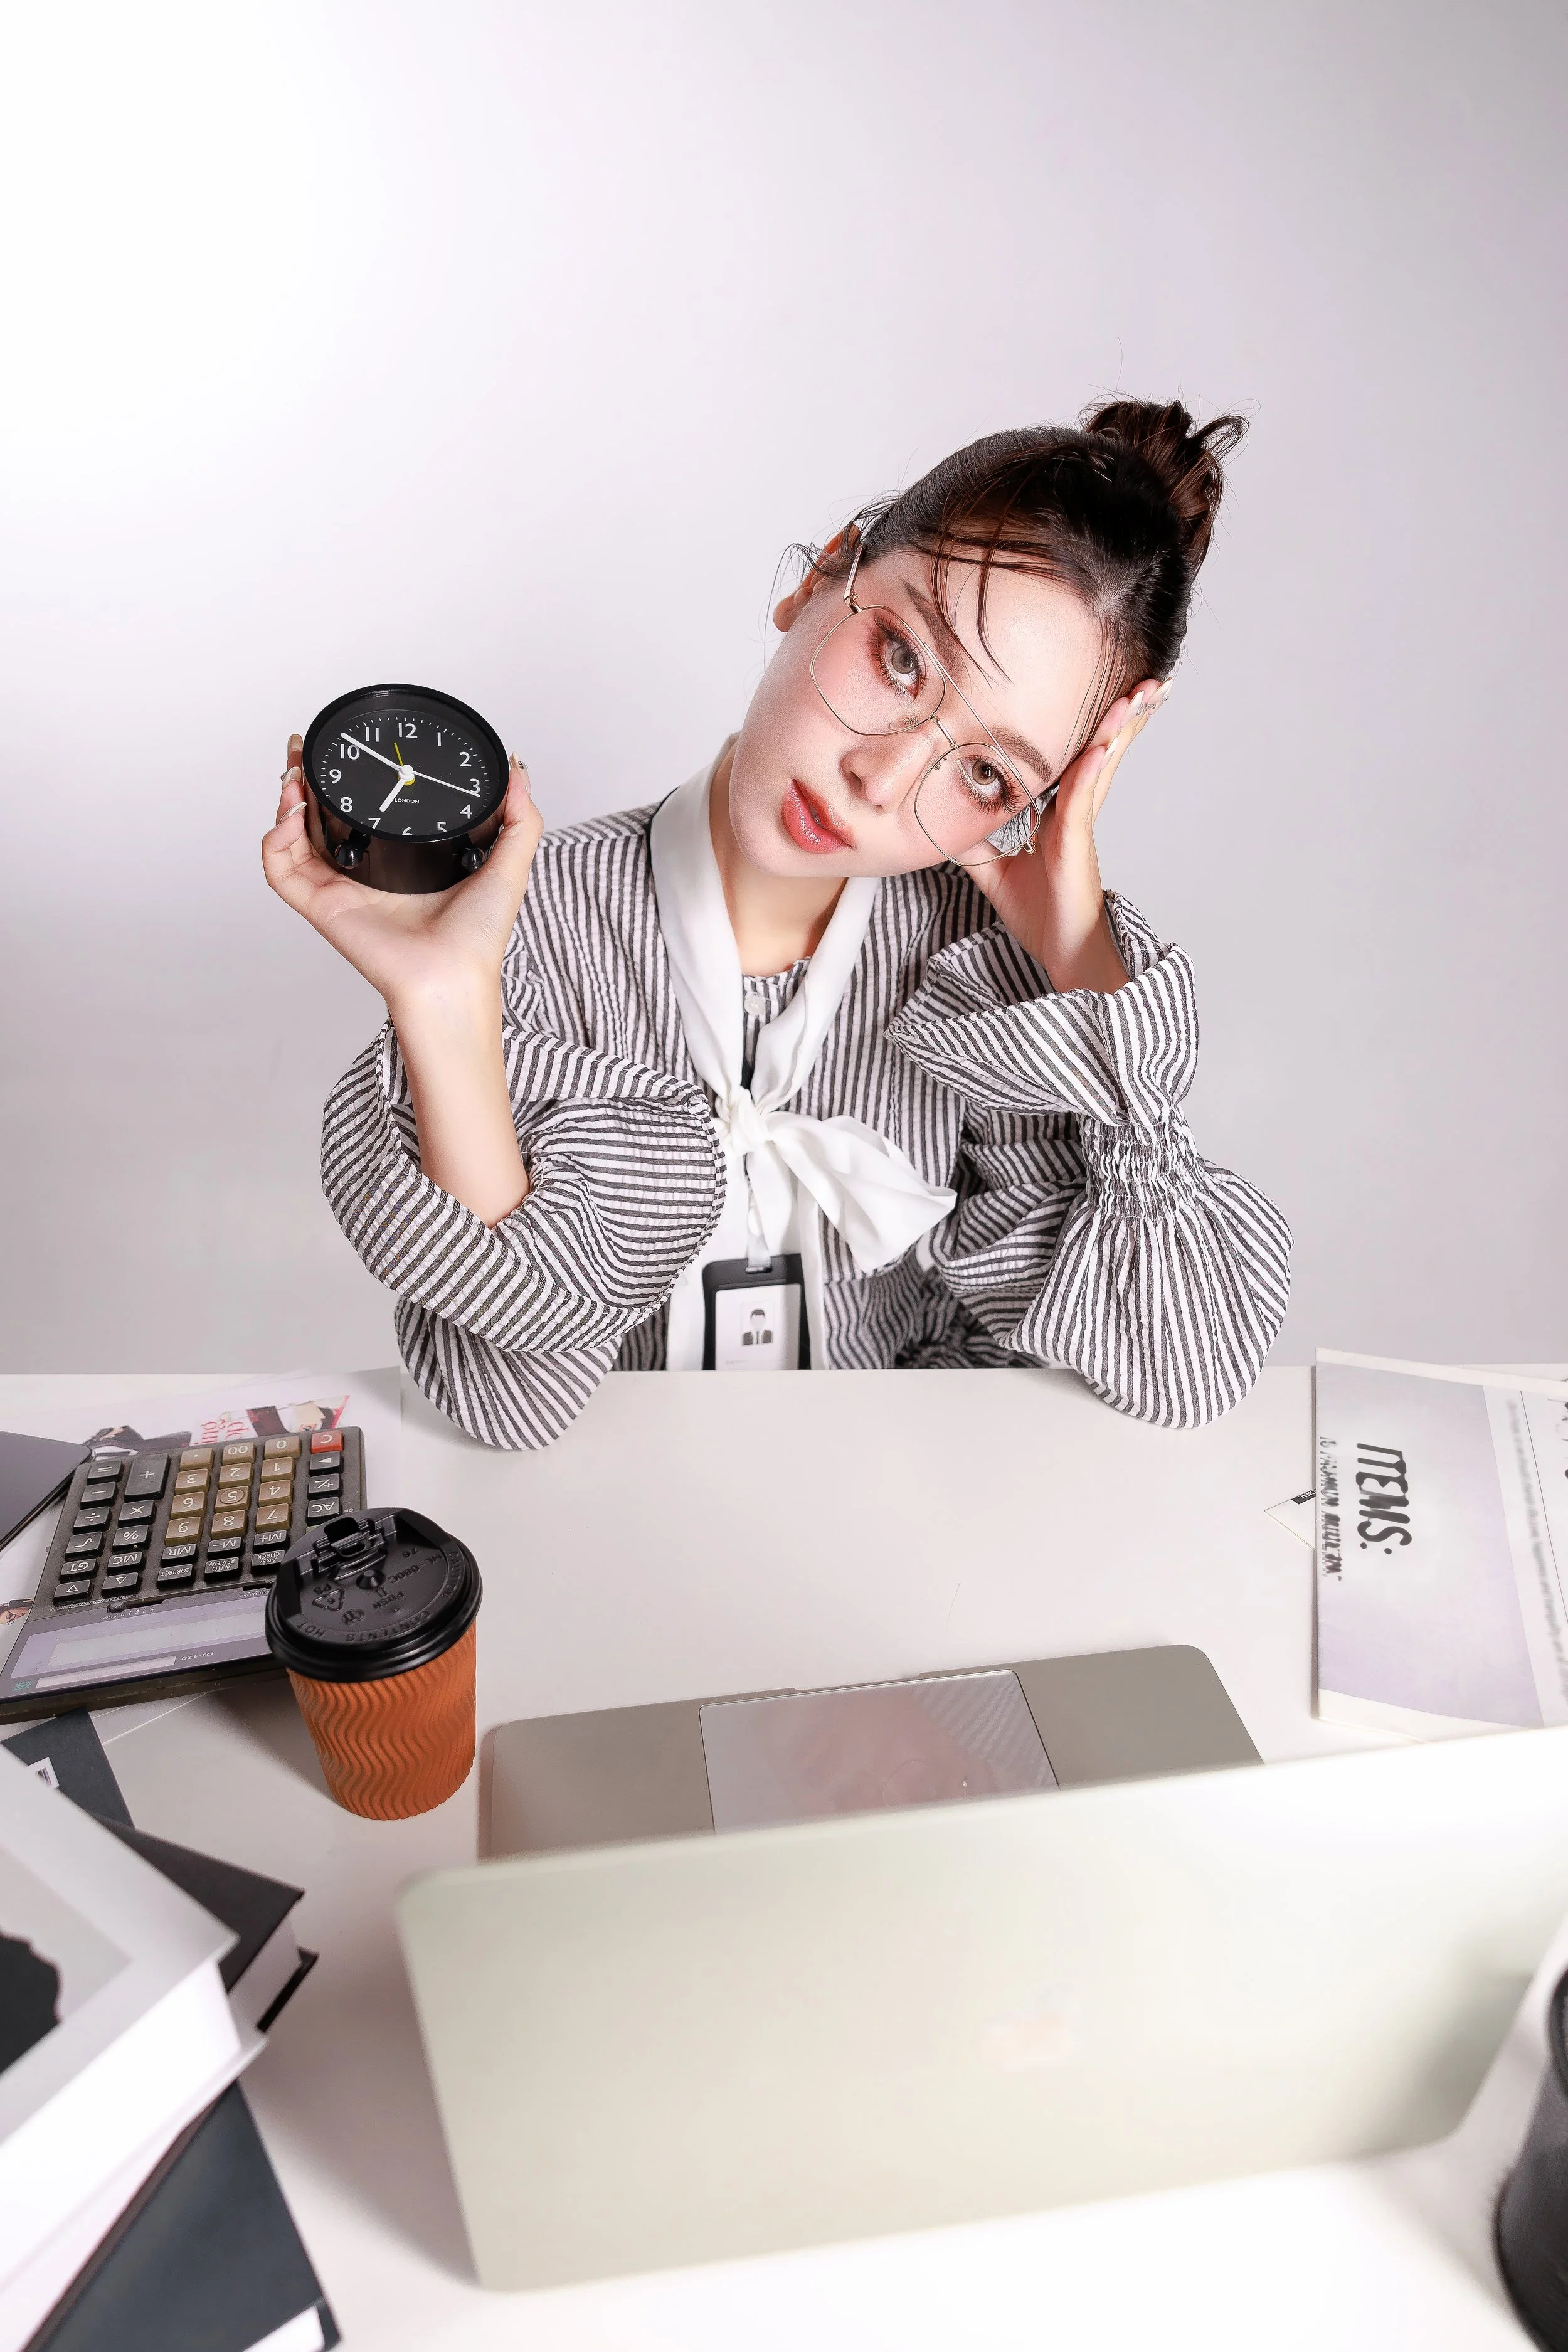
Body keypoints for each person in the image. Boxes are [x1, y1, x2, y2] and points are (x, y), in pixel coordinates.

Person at [265, 399, 1291, 1449]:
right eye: (902, 657)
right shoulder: (529, 930)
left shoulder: (976, 975)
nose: (881, 778)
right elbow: (510, 1405)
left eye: (985, 772)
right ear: (825, 574)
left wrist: (1080, 955)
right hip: (611, 1533)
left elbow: (1183, 1362)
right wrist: (444, 1004)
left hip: (891, 1533)